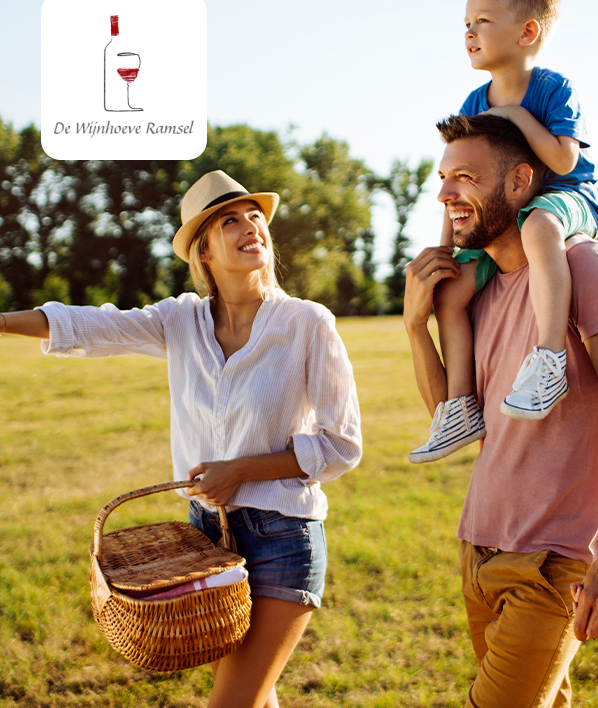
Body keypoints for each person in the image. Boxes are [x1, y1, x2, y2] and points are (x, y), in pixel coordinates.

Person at [0, 170, 362, 708]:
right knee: (255, 698)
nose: (250, 227)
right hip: (207, 539)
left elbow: (342, 445)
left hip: (284, 538)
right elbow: (92, 325)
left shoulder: (307, 323)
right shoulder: (180, 321)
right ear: (205, 253)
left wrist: (238, 470)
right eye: (229, 221)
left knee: (233, 700)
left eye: (255, 216)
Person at [403, 113, 598, 707]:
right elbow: (454, 418)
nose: (447, 194)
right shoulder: (475, 290)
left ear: (520, 182)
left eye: (467, 177)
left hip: (554, 562)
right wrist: (415, 327)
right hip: (477, 547)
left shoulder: (585, 267)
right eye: (445, 178)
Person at [409, 0, 598, 463]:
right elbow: (459, 186)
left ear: (527, 32)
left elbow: (562, 162)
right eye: (466, 24)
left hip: (564, 198)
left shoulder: (553, 88)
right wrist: (446, 249)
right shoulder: (473, 104)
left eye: (483, 21)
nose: (470, 33)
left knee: (539, 225)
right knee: (452, 289)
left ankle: (548, 357)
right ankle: (459, 408)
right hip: (502, 216)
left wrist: (517, 119)